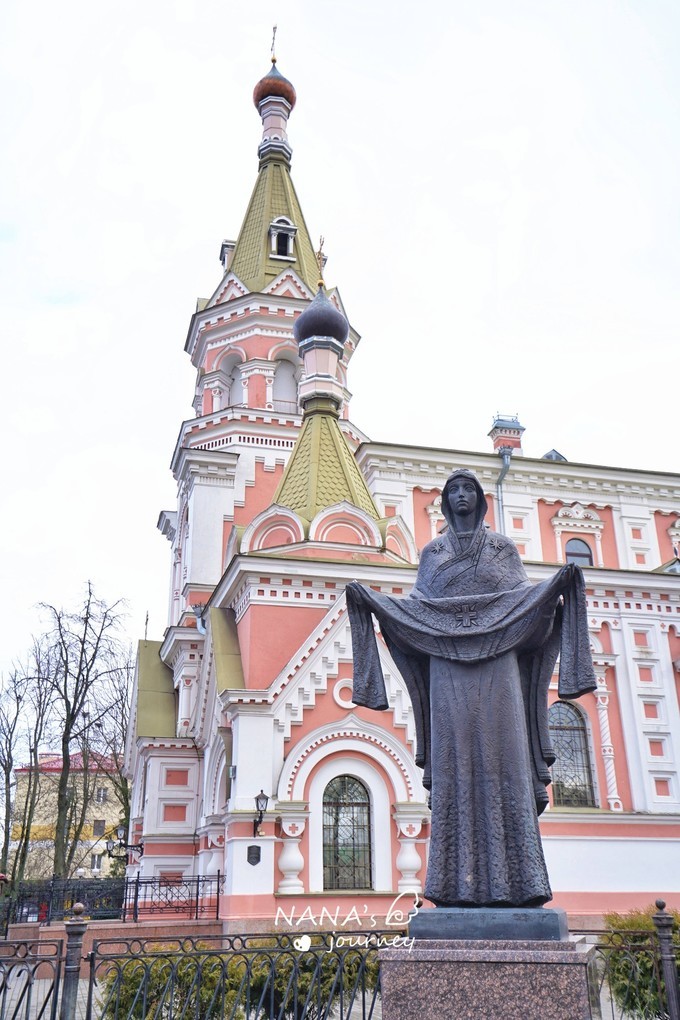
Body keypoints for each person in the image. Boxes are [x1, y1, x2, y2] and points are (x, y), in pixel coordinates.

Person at [347, 468, 596, 908]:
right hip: (446, 671)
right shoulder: (433, 554)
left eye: (468, 489)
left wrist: (554, 587)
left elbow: (521, 603)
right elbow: (418, 611)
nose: (461, 495)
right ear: (445, 502)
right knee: (452, 763)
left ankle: (520, 884)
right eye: (453, 490)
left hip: (498, 667)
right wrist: (375, 602)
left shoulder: (502, 549)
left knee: (506, 760)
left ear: (481, 499)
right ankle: (449, 886)